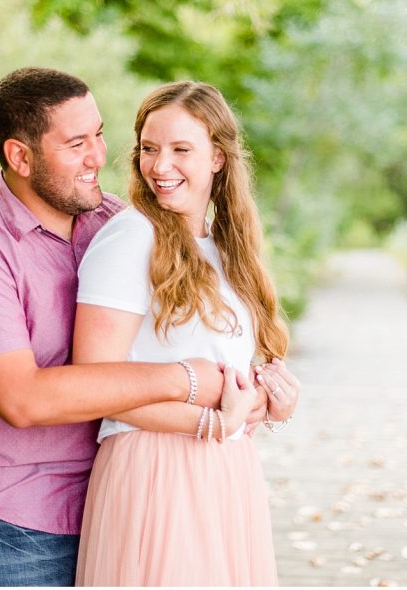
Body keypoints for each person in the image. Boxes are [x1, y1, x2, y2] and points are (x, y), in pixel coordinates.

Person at [0, 67, 235, 587]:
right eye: (76, 143)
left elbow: (201, 322)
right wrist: (185, 378)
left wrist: (262, 382)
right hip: (14, 519)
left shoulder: (117, 226)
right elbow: (23, 399)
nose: (99, 156)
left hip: (118, 499)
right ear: (19, 156)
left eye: (99, 134)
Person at [72, 81, 302, 586]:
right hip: (155, 472)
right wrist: (208, 425)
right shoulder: (132, 237)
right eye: (149, 149)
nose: (160, 166)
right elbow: (92, 387)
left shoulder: (226, 248)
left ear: (218, 158)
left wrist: (271, 403)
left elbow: (231, 386)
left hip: (225, 472)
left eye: (181, 150)